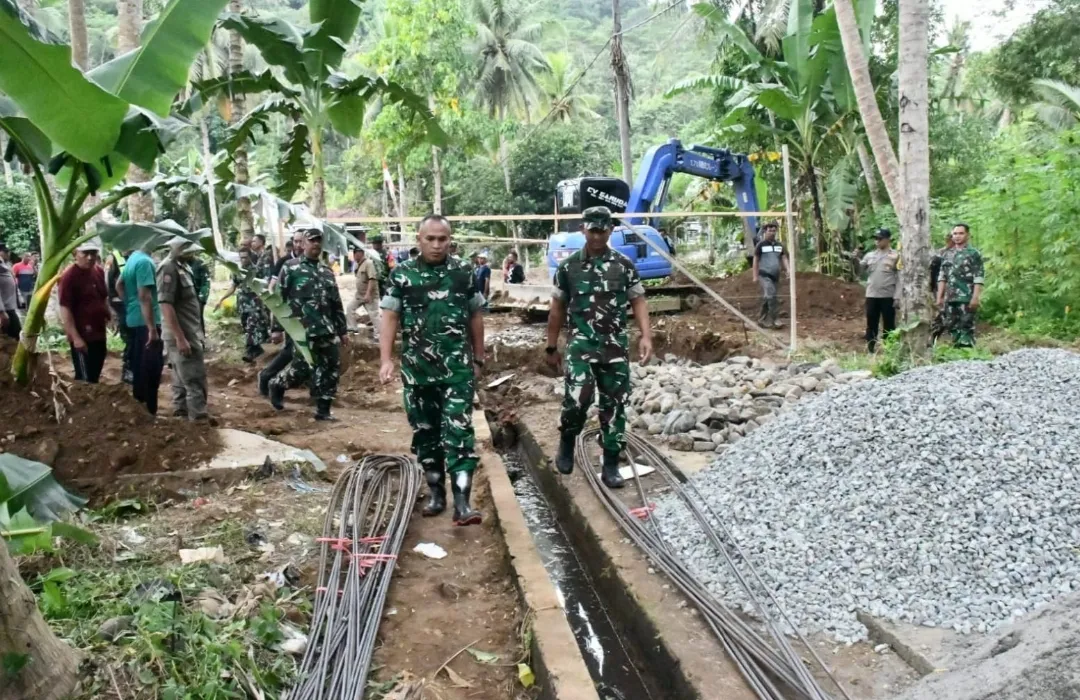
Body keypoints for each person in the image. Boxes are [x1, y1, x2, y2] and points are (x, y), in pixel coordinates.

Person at [379, 214, 485, 527]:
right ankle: (436, 492)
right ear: (419, 239)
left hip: (457, 371)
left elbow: (475, 315)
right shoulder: (402, 275)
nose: (437, 245)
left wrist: (479, 356)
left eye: (443, 239)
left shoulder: (463, 272)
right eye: (431, 239)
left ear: (450, 240)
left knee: (459, 433)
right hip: (418, 371)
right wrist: (386, 359)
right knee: (426, 434)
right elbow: (389, 317)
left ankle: (463, 503)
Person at [546, 206, 654, 489]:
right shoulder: (568, 267)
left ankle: (610, 464)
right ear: (583, 229)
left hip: (614, 347)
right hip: (581, 346)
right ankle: (568, 440)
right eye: (592, 230)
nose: (596, 236)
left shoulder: (623, 265)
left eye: (602, 230)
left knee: (615, 406)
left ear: (610, 230)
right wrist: (550, 346)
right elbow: (557, 308)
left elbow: (638, 300)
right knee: (577, 401)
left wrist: (646, 336)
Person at [269, 229, 349, 421]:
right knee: (301, 368)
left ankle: (323, 410)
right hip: (301, 329)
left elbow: (335, 303)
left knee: (331, 368)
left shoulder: (327, 271)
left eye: (318, 241)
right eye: (311, 241)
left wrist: (343, 330)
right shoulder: (291, 268)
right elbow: (279, 299)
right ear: (303, 244)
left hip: (326, 329)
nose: (316, 244)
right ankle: (277, 384)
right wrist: (276, 328)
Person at [157, 238, 210, 421]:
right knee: (195, 379)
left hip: (189, 331)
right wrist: (180, 338)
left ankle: (182, 417)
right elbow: (166, 305)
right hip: (182, 334)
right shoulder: (169, 268)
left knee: (181, 380)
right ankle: (199, 421)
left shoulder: (182, 266)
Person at [116, 243, 163, 415]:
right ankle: (149, 412)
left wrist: (130, 303)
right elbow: (145, 296)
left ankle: (139, 409)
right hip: (146, 322)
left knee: (138, 366)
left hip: (134, 319)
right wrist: (152, 329)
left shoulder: (132, 259)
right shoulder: (145, 261)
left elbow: (119, 284)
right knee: (151, 370)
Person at [259, 232, 307, 396]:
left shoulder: (312, 263)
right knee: (289, 351)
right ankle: (267, 376)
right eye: (296, 241)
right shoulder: (284, 262)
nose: (299, 245)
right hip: (290, 316)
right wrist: (276, 325)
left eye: (302, 241)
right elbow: (274, 291)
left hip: (309, 318)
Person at [58, 238, 110, 382]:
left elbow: (103, 297)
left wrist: (108, 314)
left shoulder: (98, 271)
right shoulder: (69, 276)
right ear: (75, 253)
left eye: (93, 253)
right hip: (82, 335)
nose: (90, 257)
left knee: (95, 372)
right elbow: (65, 308)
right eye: (85, 253)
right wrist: (76, 338)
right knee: (84, 378)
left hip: (99, 332)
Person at [216, 248, 271, 362]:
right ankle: (256, 348)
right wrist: (221, 298)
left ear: (250, 257)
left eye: (245, 257)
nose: (243, 259)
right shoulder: (237, 270)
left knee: (252, 326)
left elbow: (265, 285)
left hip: (254, 303)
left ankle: (250, 351)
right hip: (242, 303)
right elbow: (233, 286)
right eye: (241, 257)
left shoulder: (257, 270)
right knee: (246, 326)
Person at [936, 223, 984, 347]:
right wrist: (939, 296)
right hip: (950, 297)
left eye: (961, 233)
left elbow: (978, 277)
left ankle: (967, 352)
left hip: (966, 296)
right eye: (955, 233)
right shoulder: (947, 254)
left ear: (967, 235)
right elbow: (942, 276)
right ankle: (957, 350)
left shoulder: (973, 254)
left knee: (966, 325)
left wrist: (975, 297)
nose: (957, 236)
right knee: (951, 325)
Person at [858, 228, 900, 353]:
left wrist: (897, 296)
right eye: (875, 239)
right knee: (871, 323)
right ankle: (871, 348)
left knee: (889, 324)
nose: (877, 241)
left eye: (880, 239)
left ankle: (889, 348)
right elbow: (859, 272)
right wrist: (855, 260)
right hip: (872, 294)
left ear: (887, 240)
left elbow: (900, 277)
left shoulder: (896, 256)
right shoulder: (870, 256)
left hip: (888, 294)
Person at [752, 222, 789, 329]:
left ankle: (761, 320)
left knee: (767, 297)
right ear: (765, 231)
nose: (772, 233)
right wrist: (755, 275)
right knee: (772, 296)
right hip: (764, 275)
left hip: (775, 276)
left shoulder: (779, 245)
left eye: (774, 230)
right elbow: (756, 260)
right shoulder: (761, 245)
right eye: (770, 230)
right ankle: (775, 319)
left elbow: (784, 258)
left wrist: (788, 270)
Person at [106, 250, 134, 384]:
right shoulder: (115, 257)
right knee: (129, 336)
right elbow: (110, 284)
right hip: (121, 303)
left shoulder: (137, 256)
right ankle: (127, 370)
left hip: (135, 304)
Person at [345, 246, 380, 340]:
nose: (355, 256)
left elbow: (372, 279)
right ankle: (353, 328)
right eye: (354, 254)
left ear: (361, 253)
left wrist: (368, 294)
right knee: (350, 308)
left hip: (370, 295)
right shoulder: (357, 264)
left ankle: (379, 335)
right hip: (359, 294)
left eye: (357, 253)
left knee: (374, 315)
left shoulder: (369, 263)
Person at [929, 234, 957, 343]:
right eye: (951, 240)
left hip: (957, 289)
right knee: (944, 314)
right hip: (941, 288)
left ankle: (957, 341)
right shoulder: (940, 254)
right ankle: (933, 337)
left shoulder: (960, 253)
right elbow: (933, 272)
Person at [0, 243, 20, 340]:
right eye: (7, 253)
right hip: (5, 310)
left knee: (13, 337)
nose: (9, 255)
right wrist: (1, 312)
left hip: (9, 307)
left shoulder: (4, 264)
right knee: (14, 336)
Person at [188, 254, 212, 334]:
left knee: (198, 319)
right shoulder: (179, 263)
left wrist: (202, 299)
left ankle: (201, 340)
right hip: (184, 298)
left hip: (197, 296)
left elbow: (206, 282)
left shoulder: (200, 264)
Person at [369, 234, 390, 299]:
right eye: (373, 243)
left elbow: (392, 266)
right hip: (374, 278)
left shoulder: (387, 254)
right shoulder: (371, 254)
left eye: (375, 243)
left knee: (383, 296)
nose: (374, 245)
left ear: (380, 244)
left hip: (383, 279)